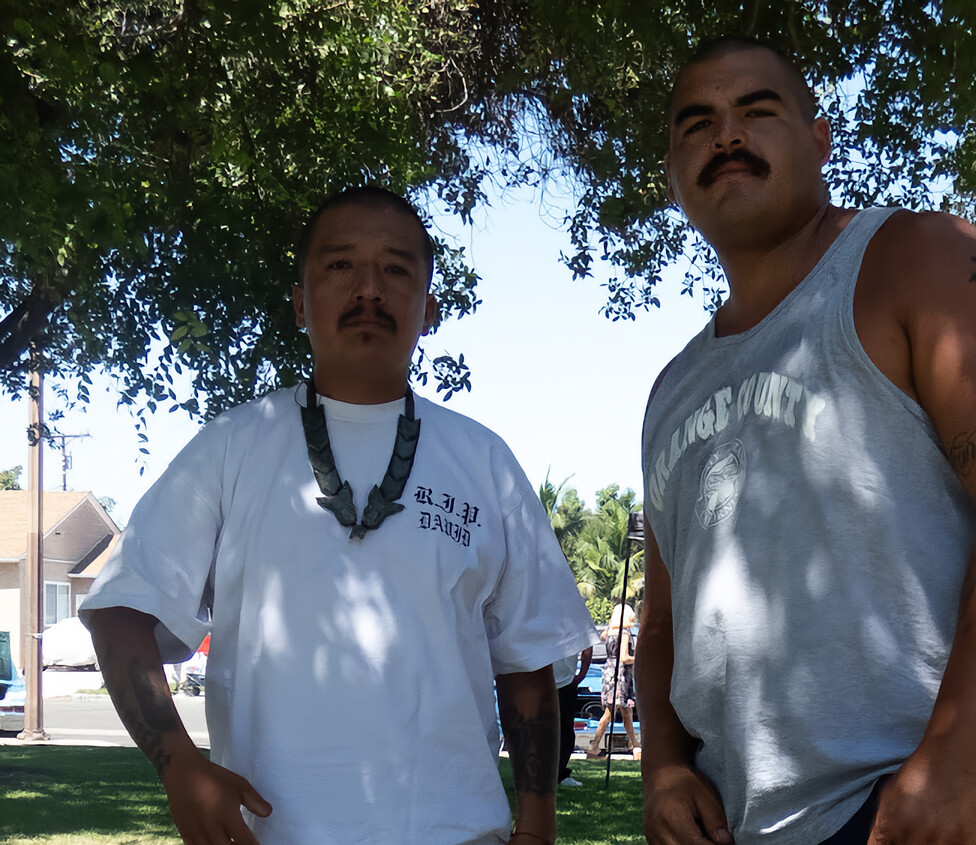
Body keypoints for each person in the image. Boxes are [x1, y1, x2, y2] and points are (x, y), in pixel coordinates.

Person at [636, 36, 976, 845]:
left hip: (905, 807)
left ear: (819, 140)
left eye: (756, 110)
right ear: (672, 171)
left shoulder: (921, 258)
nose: (726, 135)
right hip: (735, 821)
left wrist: (952, 759)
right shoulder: (670, 389)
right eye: (696, 124)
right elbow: (663, 623)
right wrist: (662, 767)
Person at [80, 185, 598, 845]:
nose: (369, 289)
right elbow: (121, 609)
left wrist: (538, 822)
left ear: (429, 309)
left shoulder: (485, 462)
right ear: (300, 303)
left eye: (396, 269)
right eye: (340, 265)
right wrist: (179, 765)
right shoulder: (231, 447)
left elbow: (526, 658)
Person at [587, 603, 641, 759]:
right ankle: (594, 746)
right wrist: (638, 658)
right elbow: (624, 657)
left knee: (626, 711)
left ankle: (635, 745)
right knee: (611, 712)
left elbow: (602, 637)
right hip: (620, 675)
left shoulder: (609, 632)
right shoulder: (624, 634)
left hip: (610, 673)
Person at [553, 645, 594, 786]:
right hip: (538, 681)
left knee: (565, 730)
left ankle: (560, 773)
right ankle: (535, 773)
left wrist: (582, 674)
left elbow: (587, 646)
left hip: (566, 682)